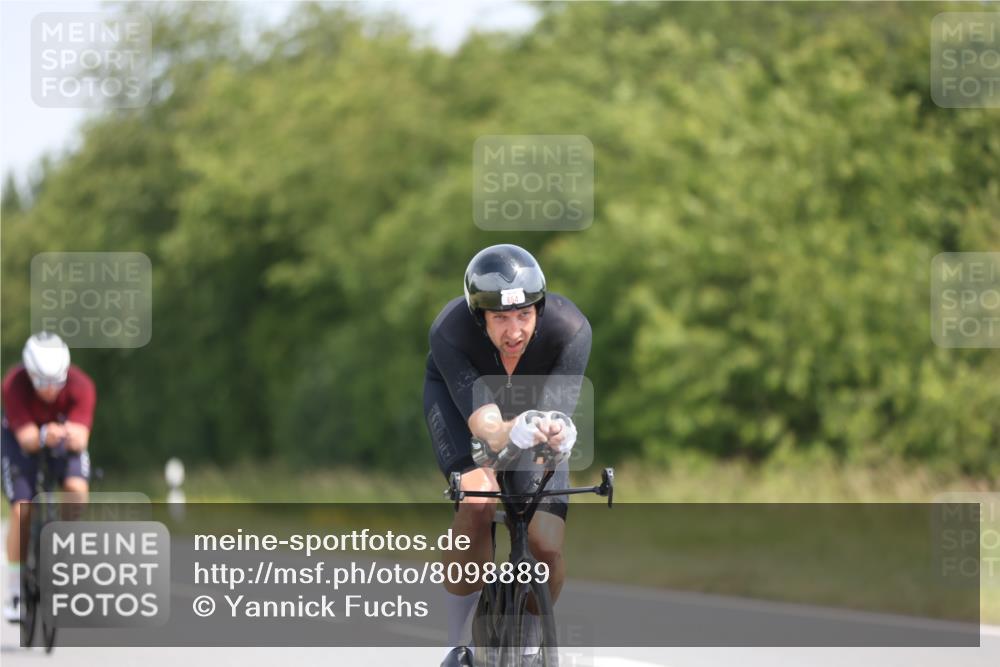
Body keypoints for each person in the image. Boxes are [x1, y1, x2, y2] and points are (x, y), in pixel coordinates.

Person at [424, 245, 591, 666]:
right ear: (479, 318)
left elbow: (555, 416)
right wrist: (507, 431)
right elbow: (487, 426)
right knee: (478, 499)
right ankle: (457, 641)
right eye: (500, 318)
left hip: (532, 412)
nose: (514, 331)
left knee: (545, 542)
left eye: (523, 315)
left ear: (539, 309)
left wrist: (557, 433)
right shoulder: (451, 330)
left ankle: (531, 638)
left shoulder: (570, 329)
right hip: (466, 410)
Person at [2, 332, 95, 622]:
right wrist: (44, 435)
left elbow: (81, 438)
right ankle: (15, 591)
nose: (51, 389)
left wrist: (67, 434)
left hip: (63, 443)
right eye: (43, 382)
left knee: (76, 489)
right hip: (21, 442)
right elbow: (27, 439)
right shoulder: (14, 384)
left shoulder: (81, 385)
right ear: (30, 374)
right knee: (22, 510)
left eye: (57, 381)